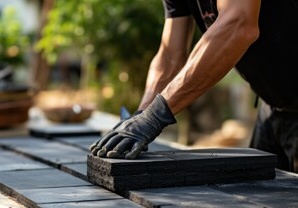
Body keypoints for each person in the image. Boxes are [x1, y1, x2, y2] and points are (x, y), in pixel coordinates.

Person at [90, 0, 298, 172]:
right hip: (272, 105)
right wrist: (140, 116)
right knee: (261, 203)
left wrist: (155, 116)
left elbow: (239, 24)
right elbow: (170, 56)